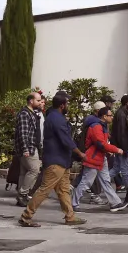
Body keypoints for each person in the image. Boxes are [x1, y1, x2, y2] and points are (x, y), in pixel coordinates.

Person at [19, 93, 87, 227]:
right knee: (44, 190)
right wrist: (80, 153)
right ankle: (26, 216)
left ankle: (70, 216)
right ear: (62, 105)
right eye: (67, 104)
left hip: (61, 161)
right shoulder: (56, 119)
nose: (68, 106)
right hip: (56, 161)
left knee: (63, 190)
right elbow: (66, 140)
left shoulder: (56, 117)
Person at [71, 107, 128, 212]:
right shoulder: (97, 126)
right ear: (104, 116)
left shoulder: (101, 125)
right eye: (110, 115)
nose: (112, 117)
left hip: (99, 157)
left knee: (105, 181)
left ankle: (115, 203)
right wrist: (116, 150)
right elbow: (101, 143)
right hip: (94, 159)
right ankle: (73, 204)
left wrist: (109, 150)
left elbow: (102, 143)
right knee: (86, 182)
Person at [13, 91, 44, 207]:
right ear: (31, 101)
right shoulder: (25, 114)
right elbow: (23, 133)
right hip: (29, 148)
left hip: (30, 147)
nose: (40, 102)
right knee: (34, 170)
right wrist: (25, 149)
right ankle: (23, 194)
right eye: (38, 100)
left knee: (24, 172)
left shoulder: (31, 113)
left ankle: (21, 197)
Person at [111, 95, 128, 190]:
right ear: (127, 103)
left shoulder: (121, 113)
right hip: (121, 146)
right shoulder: (121, 115)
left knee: (117, 168)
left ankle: (101, 180)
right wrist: (124, 149)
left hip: (118, 145)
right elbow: (122, 133)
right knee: (125, 169)